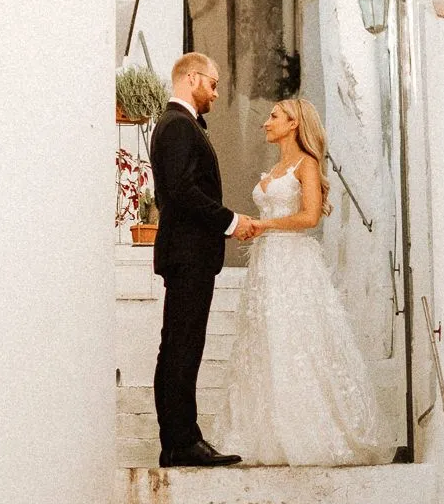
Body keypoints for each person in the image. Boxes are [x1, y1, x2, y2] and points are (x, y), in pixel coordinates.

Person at [212, 97, 395, 466]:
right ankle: (265, 436)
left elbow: (311, 216)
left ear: (294, 123)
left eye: (274, 116)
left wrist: (263, 225)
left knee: (294, 339)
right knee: (263, 340)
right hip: (265, 263)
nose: (266, 122)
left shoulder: (306, 164)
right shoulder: (277, 166)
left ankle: (308, 432)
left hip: (292, 261)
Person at [149, 52, 255, 468]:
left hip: (190, 253)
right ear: (191, 79)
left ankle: (180, 439)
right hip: (188, 253)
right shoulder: (178, 125)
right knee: (181, 346)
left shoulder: (180, 125)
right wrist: (229, 221)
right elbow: (182, 191)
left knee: (181, 345)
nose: (215, 92)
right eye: (211, 84)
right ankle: (180, 442)